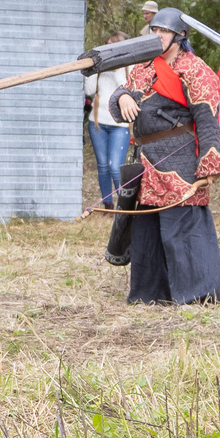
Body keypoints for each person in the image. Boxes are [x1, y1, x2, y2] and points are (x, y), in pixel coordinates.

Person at [112, 7, 220, 305]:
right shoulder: (143, 67)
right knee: (147, 230)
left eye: (163, 31)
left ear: (180, 35)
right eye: (154, 31)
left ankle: (197, 296)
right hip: (146, 161)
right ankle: (150, 295)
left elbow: (207, 118)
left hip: (181, 162)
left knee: (182, 229)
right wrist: (122, 97)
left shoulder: (195, 69)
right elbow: (118, 97)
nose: (157, 36)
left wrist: (209, 159)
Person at [88, 25, 141, 263]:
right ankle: (107, 204)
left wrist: (116, 69)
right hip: (97, 120)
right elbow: (89, 91)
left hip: (118, 124)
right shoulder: (99, 70)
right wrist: (95, 70)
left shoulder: (129, 69)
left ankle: (123, 205)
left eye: (114, 47)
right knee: (101, 165)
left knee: (114, 166)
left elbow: (127, 89)